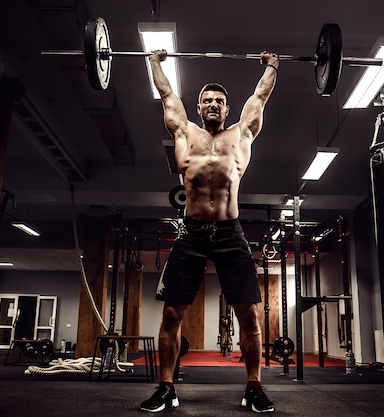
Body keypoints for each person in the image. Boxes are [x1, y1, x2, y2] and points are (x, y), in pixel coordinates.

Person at [140, 49, 279, 414]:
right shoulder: (185, 132)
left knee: (248, 313)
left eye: (219, 101)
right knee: (172, 312)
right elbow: (168, 95)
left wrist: (272, 66)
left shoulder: (241, 135)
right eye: (207, 101)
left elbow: (260, 97)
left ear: (227, 109)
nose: (213, 105)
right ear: (199, 108)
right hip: (192, 232)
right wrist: (154, 62)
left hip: (231, 233)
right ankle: (167, 387)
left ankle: (254, 386)